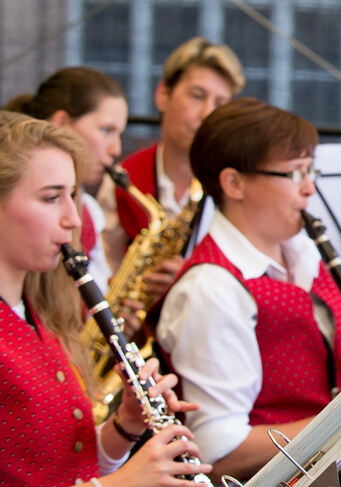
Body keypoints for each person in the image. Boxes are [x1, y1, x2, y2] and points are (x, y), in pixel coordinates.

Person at [154, 97, 341, 481]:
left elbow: (323, 381)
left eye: (310, 170)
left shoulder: (304, 252)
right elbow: (218, 452)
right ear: (234, 183)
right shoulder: (210, 290)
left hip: (339, 469)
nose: (309, 189)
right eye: (294, 173)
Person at [0, 111, 211, 485]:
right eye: (51, 198)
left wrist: (126, 425)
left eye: (73, 195)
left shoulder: (36, 314)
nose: (73, 218)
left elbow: (62, 464)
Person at [109, 37, 244, 297]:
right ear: (163, 95)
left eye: (220, 103)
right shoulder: (123, 177)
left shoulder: (236, 189)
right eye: (197, 96)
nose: (207, 114)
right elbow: (103, 269)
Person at [4, 66, 129, 293]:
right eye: (105, 130)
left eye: (71, 194)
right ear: (61, 123)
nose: (116, 149)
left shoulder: (89, 209)